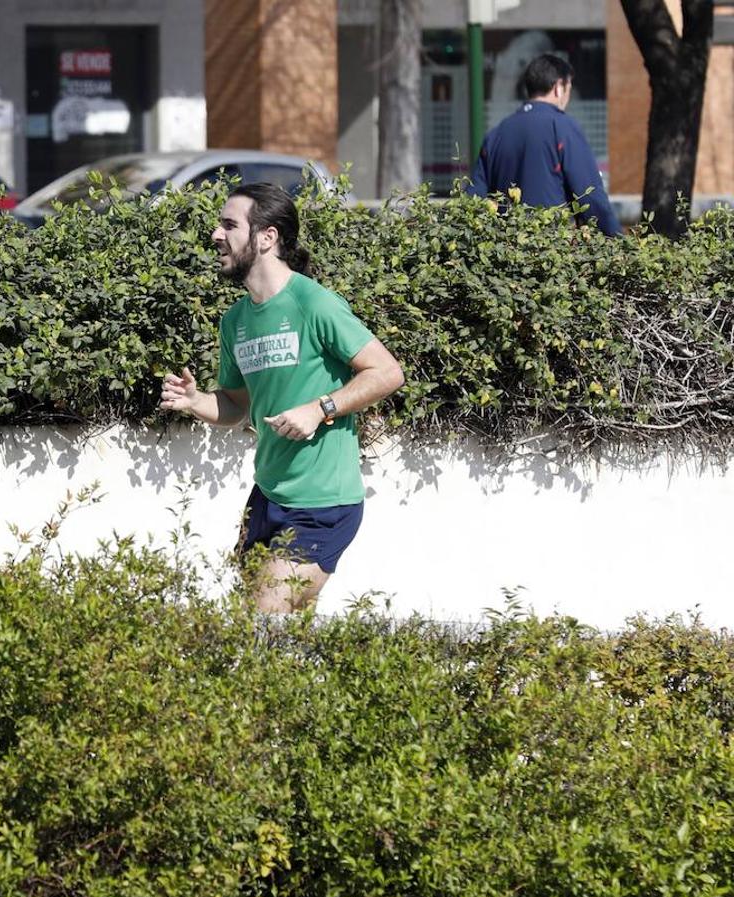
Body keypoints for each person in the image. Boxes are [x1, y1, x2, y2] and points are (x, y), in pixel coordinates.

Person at [159, 183, 405, 613]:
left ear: (267, 237)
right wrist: (197, 402)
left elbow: (388, 372)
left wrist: (320, 408)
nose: (216, 235)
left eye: (229, 225)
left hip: (322, 502)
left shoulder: (314, 304)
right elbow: (237, 405)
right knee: (270, 640)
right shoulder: (235, 320)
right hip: (268, 495)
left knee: (261, 622)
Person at [466, 53, 621, 236]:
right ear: (558, 88)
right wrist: (618, 241)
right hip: (550, 252)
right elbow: (590, 196)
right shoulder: (562, 127)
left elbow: (474, 200)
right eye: (569, 89)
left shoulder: (496, 134)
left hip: (505, 252)